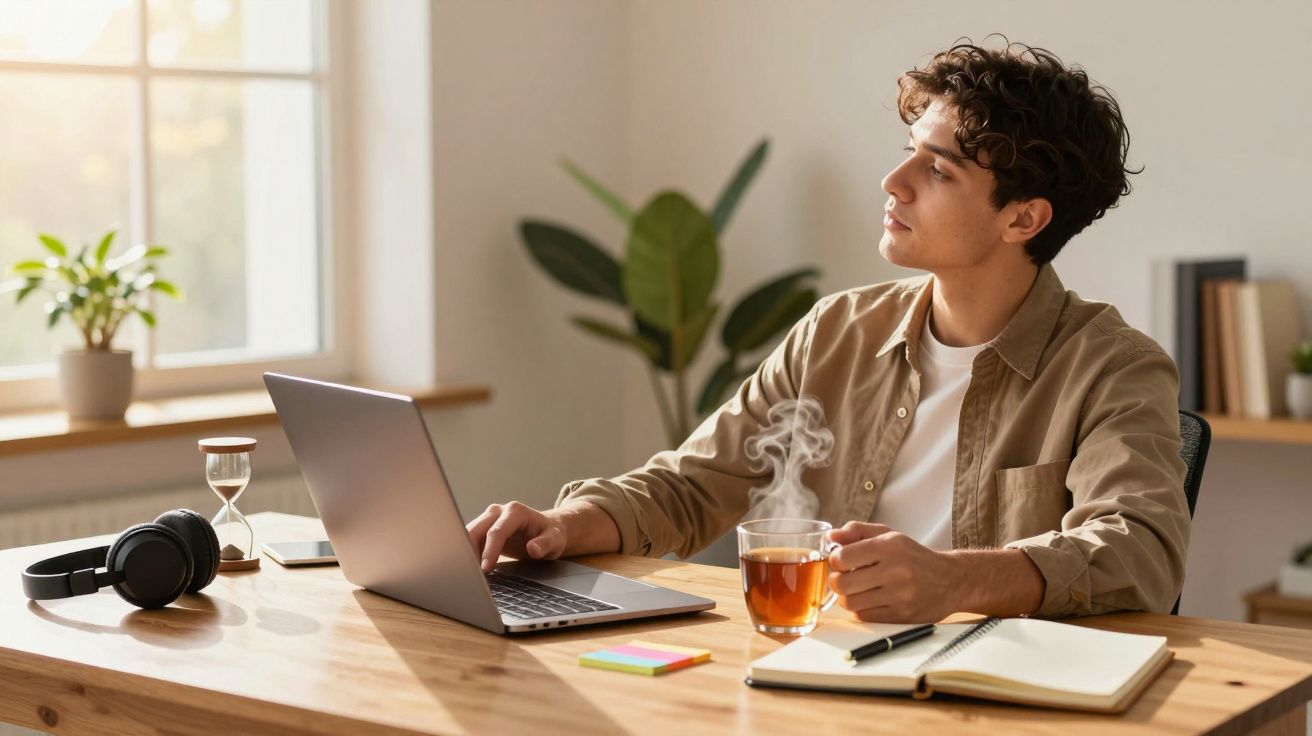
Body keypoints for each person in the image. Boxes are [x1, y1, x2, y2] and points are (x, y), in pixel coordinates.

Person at [466, 40, 1189, 622]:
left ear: (1023, 218)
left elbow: (1140, 552)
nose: (894, 182)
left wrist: (954, 581)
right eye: (909, 150)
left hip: (1000, 697)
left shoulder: (1114, 368)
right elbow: (694, 485)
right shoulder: (837, 330)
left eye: (939, 171)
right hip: (828, 669)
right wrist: (566, 524)